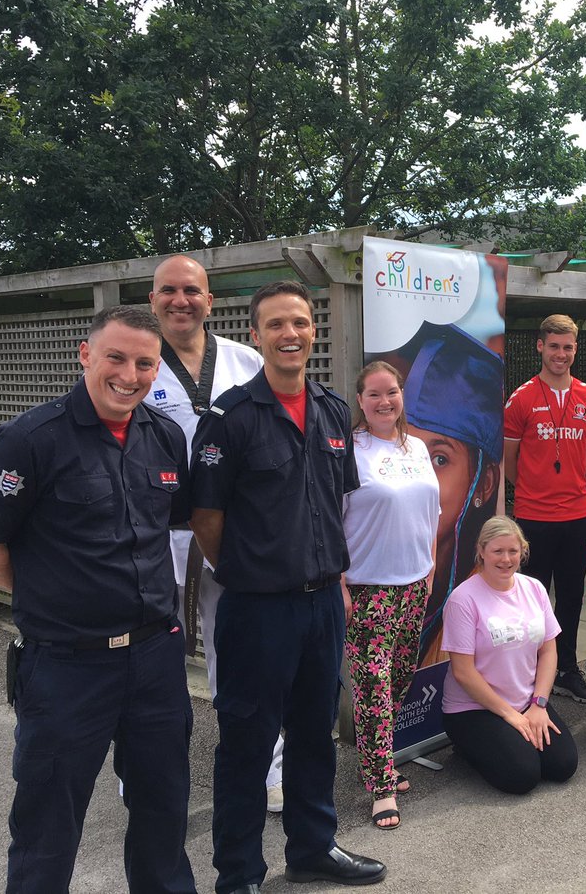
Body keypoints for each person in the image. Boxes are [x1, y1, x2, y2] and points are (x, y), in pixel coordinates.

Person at [0, 306, 196, 893]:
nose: (129, 374)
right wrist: (51, 597)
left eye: (145, 362)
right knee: (48, 822)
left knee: (164, 809)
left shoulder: (163, 436)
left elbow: (174, 526)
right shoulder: (29, 440)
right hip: (66, 665)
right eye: (115, 357)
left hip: (155, 659)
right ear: (86, 355)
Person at [188, 281, 385, 891]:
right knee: (246, 744)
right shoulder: (229, 419)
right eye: (276, 324)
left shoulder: (329, 409)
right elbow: (206, 521)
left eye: (300, 322)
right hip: (258, 608)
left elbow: (335, 503)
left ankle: (312, 846)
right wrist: (254, 572)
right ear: (256, 335)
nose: (291, 334)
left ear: (313, 331)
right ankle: (240, 872)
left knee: (314, 735)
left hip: (323, 603)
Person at [144, 254, 284, 813]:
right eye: (169, 291)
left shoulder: (245, 358)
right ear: (153, 299)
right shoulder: (137, 359)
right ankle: (154, 786)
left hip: (233, 530)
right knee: (156, 663)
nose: (181, 301)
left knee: (244, 653)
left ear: (210, 299)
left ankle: (265, 769)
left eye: (192, 291)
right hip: (160, 533)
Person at [343, 361, 440, 829]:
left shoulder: (417, 446)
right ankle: (380, 782)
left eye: (393, 392)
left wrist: (432, 563)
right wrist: (339, 581)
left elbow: (431, 508)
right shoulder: (348, 451)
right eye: (375, 394)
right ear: (360, 401)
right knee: (373, 685)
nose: (385, 402)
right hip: (368, 586)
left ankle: (381, 762)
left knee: (399, 677)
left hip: (415, 580)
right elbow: (330, 519)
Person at [503, 314, 586, 703]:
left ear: (575, 349)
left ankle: (565, 669)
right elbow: (509, 458)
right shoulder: (522, 397)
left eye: (568, 347)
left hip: (578, 514)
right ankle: (529, 672)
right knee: (532, 596)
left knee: (570, 596)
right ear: (540, 347)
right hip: (533, 517)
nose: (560, 354)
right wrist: (534, 486)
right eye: (554, 346)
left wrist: (567, 481)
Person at [440, 517, 579, 794]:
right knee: (521, 776)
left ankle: (513, 739)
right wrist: (511, 716)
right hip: (474, 708)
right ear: (481, 551)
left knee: (562, 766)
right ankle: (467, 748)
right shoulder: (463, 599)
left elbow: (549, 650)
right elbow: (463, 672)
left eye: (513, 551)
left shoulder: (534, 588)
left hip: (527, 700)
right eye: (497, 551)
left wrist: (539, 704)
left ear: (523, 551)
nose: (506, 559)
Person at [403, 324, 503, 667]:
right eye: (408, 450)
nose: (419, 477)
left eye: (439, 459)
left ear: (485, 483)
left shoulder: (488, 599)